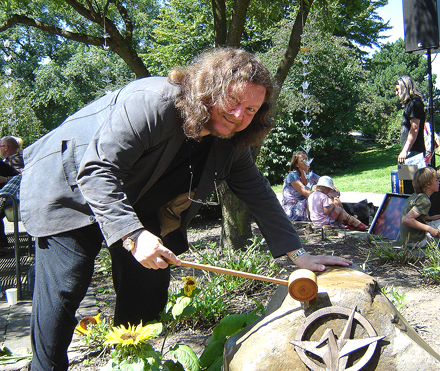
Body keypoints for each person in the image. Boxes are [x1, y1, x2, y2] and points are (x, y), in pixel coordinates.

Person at [20, 47, 352, 370]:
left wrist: (298, 255)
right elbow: (97, 171)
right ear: (210, 88)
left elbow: (259, 195)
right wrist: (134, 235)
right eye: (234, 101)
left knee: (147, 285)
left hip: (137, 200)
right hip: (68, 186)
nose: (240, 116)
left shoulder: (232, 142)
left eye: (252, 110)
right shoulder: (153, 104)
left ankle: (132, 361)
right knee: (64, 289)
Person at [400, 167, 440, 247]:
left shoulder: (415, 196)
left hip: (407, 240)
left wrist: (430, 218)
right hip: (417, 241)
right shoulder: (424, 200)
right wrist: (430, 229)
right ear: (428, 184)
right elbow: (407, 220)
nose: (438, 182)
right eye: (436, 180)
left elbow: (415, 216)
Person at [0, 136, 23, 256]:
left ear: (6, 147)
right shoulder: (8, 161)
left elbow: (21, 177)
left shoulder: (16, 160)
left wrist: (5, 179)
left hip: (15, 199)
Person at [395, 76, 426, 164]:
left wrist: (405, 151)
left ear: (405, 87)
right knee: (405, 177)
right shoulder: (410, 103)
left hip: (413, 153)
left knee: (411, 177)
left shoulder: (415, 103)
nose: (396, 93)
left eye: (398, 90)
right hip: (409, 151)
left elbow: (414, 129)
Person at [282, 151, 320, 221]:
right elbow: (306, 192)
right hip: (293, 209)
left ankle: (343, 220)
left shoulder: (311, 175)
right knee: (315, 200)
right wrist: (323, 193)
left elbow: (324, 182)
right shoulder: (292, 176)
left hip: (305, 204)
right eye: (303, 160)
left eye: (307, 159)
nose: (306, 161)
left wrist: (332, 190)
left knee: (334, 200)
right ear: (297, 165)